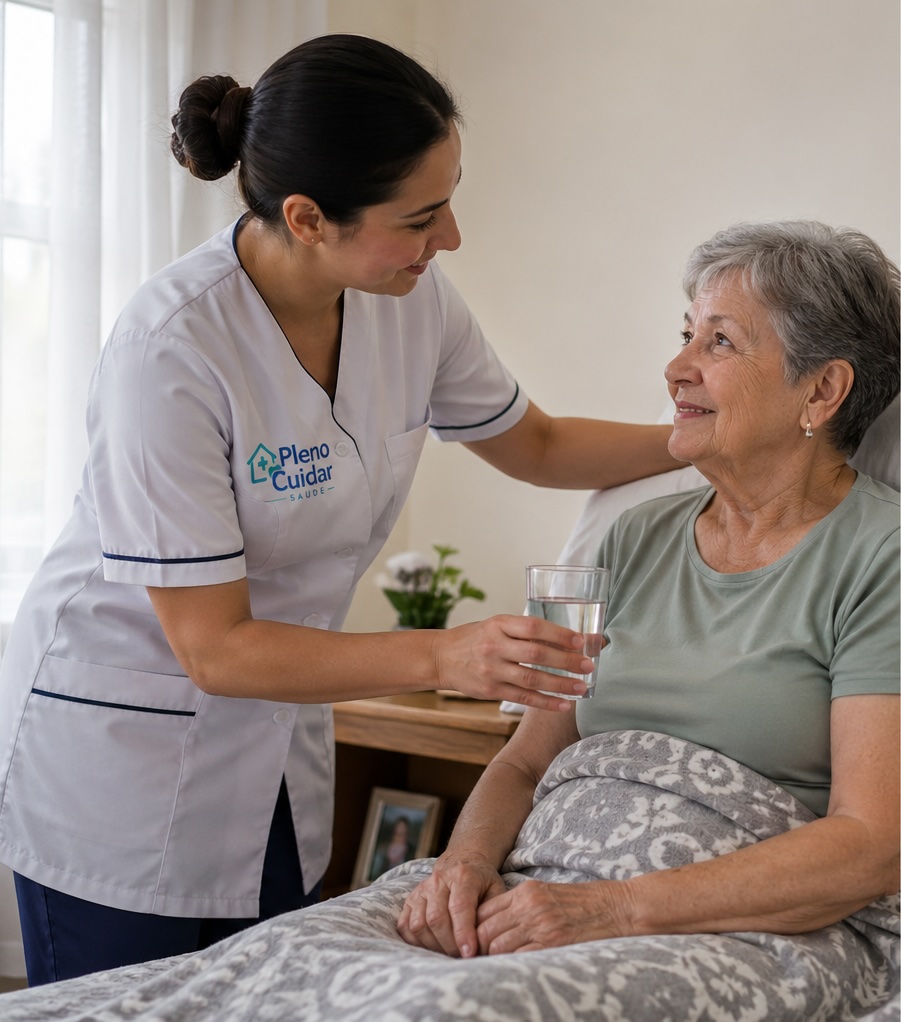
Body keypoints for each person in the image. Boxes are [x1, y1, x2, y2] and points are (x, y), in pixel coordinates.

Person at [0, 34, 677, 985]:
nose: (449, 240)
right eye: (421, 217)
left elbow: (537, 443)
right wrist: (447, 654)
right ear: (308, 217)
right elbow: (215, 648)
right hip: (125, 758)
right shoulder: (173, 350)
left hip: (275, 747)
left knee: (274, 995)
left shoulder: (409, 297)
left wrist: (696, 438)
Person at [395, 219, 900, 959]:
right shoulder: (630, 535)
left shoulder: (880, 556)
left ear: (822, 389)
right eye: (685, 333)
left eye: (718, 342)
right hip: (541, 884)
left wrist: (610, 908)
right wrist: (462, 866)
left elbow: (871, 845)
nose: (675, 368)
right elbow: (525, 760)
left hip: (728, 929)